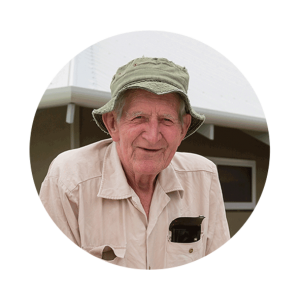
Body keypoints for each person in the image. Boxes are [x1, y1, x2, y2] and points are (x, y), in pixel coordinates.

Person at [40, 57, 230, 269]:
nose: (152, 136)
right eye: (139, 117)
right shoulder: (69, 179)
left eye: (166, 120)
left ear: (183, 128)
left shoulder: (204, 177)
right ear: (113, 124)